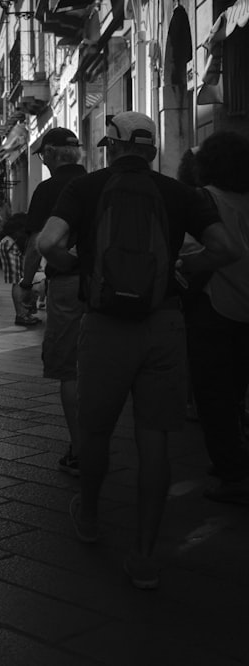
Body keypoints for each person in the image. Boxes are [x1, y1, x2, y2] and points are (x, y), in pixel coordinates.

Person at [37, 111, 240, 589]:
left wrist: (77, 264)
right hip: (163, 322)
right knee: (155, 439)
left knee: (96, 428)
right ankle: (145, 556)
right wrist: (184, 272)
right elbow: (227, 248)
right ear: (151, 151)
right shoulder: (181, 193)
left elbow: (48, 241)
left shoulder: (85, 188)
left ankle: (89, 516)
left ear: (112, 146)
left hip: (105, 323)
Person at [184, 131, 249, 505]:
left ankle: (232, 472)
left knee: (214, 395)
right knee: (238, 389)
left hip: (217, 305)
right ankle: (235, 455)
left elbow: (195, 248)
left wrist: (184, 266)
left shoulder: (205, 199)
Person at [24, 127, 88, 477]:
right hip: (100, 284)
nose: (42, 160)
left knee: (70, 369)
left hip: (66, 284)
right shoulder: (96, 183)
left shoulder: (49, 189)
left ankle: (80, 448)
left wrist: (24, 281)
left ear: (50, 152)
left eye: (42, 154)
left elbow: (38, 241)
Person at [0, 213, 40, 326]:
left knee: (19, 279)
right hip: (11, 245)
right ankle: (21, 314)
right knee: (17, 281)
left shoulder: (24, 219)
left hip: (8, 243)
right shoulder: (29, 223)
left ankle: (24, 313)